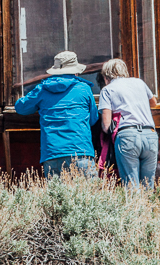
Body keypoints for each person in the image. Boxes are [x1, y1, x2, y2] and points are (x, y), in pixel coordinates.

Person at [14, 50, 99, 178]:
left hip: (52, 153)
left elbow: (20, 108)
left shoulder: (42, 89)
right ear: (75, 71)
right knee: (88, 196)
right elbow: (93, 119)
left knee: (58, 197)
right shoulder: (84, 89)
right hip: (80, 150)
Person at [99, 58, 159, 189]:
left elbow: (106, 125)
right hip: (150, 134)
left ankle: (135, 209)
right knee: (147, 185)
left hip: (127, 134)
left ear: (106, 75)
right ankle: (148, 209)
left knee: (131, 185)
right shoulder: (139, 83)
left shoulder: (107, 90)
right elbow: (153, 102)